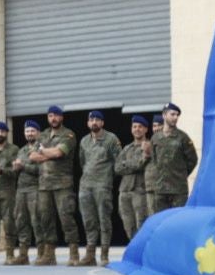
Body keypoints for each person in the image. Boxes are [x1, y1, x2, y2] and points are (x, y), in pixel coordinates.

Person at [31, 105, 80, 265]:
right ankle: (49, 254)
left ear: (61, 117)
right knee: (46, 219)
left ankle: (73, 253)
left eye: (56, 116)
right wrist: (49, 153)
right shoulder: (43, 135)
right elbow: (32, 156)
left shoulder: (69, 134)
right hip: (44, 185)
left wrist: (44, 152)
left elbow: (60, 153)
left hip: (62, 184)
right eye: (51, 116)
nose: (53, 118)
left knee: (66, 218)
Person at [76, 111, 120, 266]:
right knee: (89, 221)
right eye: (91, 120)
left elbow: (118, 162)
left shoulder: (111, 139)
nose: (94, 122)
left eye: (97, 120)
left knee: (104, 219)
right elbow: (83, 162)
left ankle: (104, 254)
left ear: (102, 123)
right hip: (85, 185)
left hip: (102, 185)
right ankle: (90, 255)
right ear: (88, 123)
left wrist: (107, 178)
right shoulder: (84, 141)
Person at [145, 103, 197, 213]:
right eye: (172, 114)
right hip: (160, 189)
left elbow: (193, 159)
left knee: (178, 220)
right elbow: (154, 160)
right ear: (164, 115)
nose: (175, 118)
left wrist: (181, 173)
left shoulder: (183, 137)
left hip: (178, 190)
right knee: (161, 221)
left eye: (177, 115)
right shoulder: (155, 138)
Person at [10, 120, 42, 265]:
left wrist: (24, 166)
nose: (29, 133)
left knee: (37, 221)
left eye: (32, 131)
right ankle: (23, 254)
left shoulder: (41, 148)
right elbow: (16, 170)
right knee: (21, 221)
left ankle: (42, 253)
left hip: (35, 189)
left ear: (38, 132)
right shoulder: (21, 151)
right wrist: (15, 168)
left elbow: (42, 170)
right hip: (21, 189)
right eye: (27, 131)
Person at [0, 122, 21, 263]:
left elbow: (16, 171)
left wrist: (3, 171)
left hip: (7, 191)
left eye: (2, 131)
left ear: (7, 133)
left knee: (9, 223)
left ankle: (9, 255)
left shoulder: (13, 150)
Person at [116, 115, 153, 239]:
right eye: (134, 126)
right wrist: (135, 163)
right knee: (128, 225)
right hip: (124, 191)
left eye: (140, 127)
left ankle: (141, 252)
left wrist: (127, 163)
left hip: (140, 191)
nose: (137, 129)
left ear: (146, 129)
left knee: (141, 223)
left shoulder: (148, 146)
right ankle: (133, 249)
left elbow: (140, 165)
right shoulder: (127, 148)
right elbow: (117, 168)